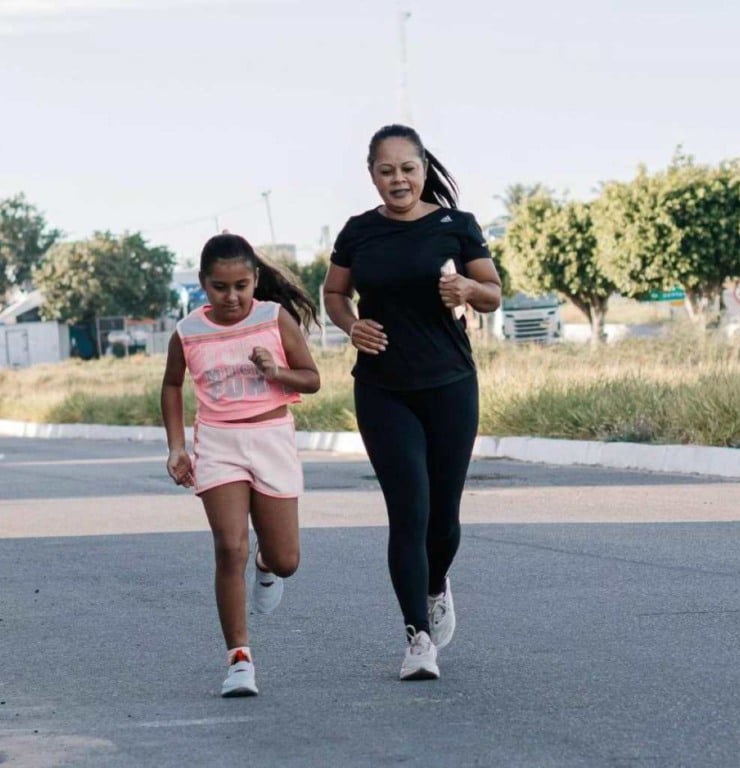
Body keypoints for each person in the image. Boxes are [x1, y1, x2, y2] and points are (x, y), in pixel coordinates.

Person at [323, 124, 502, 680]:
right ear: (371, 174)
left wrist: (468, 291)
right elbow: (334, 292)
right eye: (386, 170)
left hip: (450, 384)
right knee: (409, 512)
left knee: (443, 520)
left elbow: (494, 293)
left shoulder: (457, 225)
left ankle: (434, 584)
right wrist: (351, 326)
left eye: (407, 168)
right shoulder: (358, 232)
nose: (397, 179)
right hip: (382, 388)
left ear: (423, 169)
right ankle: (416, 638)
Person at [161, 233, 320, 697]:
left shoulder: (274, 318)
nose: (231, 297)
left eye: (241, 286)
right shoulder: (188, 330)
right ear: (203, 285)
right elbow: (172, 385)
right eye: (219, 287)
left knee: (287, 560)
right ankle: (239, 659)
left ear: (254, 281)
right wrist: (176, 447)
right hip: (218, 442)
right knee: (229, 548)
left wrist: (276, 372)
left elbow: (311, 380)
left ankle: (266, 564)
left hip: (271, 437)